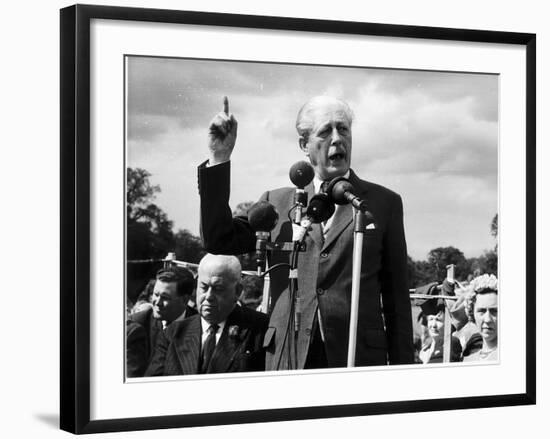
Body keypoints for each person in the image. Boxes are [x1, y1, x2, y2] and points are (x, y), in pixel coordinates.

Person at [197, 95, 414, 370]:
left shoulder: (383, 203)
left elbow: (397, 303)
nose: (337, 139)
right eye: (325, 131)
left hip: (356, 359)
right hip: (288, 356)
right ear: (304, 144)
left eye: (343, 129)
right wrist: (219, 157)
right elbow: (217, 239)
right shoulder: (277, 203)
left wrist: (403, 372)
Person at [145, 254, 269, 375]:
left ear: (237, 291)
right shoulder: (173, 334)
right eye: (204, 288)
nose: (208, 296)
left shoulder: (260, 329)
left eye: (218, 289)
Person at [127, 266, 196, 377]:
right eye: (155, 294)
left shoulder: (201, 325)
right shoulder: (138, 325)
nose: (157, 303)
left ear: (184, 300)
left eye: (165, 297)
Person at [463, 274, 498, 362]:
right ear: (472, 313)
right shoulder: (468, 360)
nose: (487, 319)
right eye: (481, 311)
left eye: (494, 311)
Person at [417, 299, 462, 364]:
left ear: (448, 323)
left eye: (438, 320)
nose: (433, 325)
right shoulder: (424, 350)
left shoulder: (452, 344)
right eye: (431, 319)